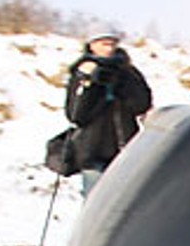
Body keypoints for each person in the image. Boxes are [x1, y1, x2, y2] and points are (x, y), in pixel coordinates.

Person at [64, 29, 152, 195]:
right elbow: (76, 115)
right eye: (104, 44)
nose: (109, 48)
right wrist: (88, 84)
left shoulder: (128, 72)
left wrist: (123, 83)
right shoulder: (82, 72)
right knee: (95, 204)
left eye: (112, 44)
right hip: (92, 152)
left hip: (125, 148)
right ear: (92, 45)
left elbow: (142, 105)